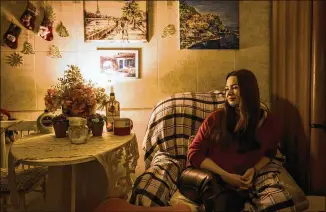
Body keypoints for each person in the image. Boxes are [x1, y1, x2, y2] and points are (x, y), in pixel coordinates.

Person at [178, 69, 295, 212]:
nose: (229, 93)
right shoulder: (216, 118)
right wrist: (225, 175)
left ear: (248, 90)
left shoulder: (269, 123)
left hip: (233, 184)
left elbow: (270, 153)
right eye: (227, 89)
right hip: (197, 177)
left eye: (234, 87)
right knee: (214, 185)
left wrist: (253, 170)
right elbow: (194, 153)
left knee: (232, 199)